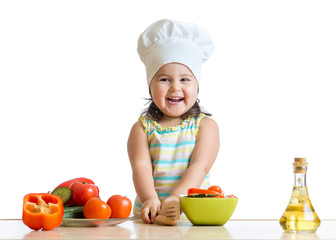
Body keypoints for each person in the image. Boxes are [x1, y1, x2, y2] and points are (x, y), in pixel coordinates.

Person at [127, 19, 220, 224]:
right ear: (150, 85)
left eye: (185, 79)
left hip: (192, 215)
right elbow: (140, 167)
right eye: (164, 79)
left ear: (197, 85)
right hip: (151, 215)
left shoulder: (205, 127)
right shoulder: (142, 129)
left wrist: (177, 198)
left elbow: (199, 167)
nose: (175, 87)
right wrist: (150, 198)